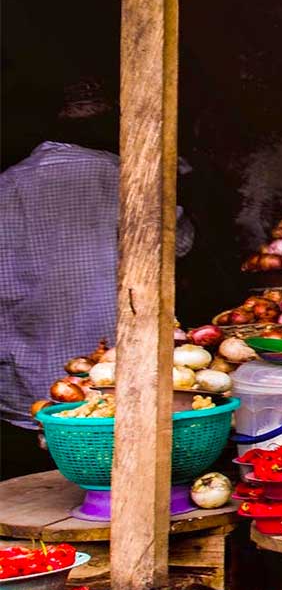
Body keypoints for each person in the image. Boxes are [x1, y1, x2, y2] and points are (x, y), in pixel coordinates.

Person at [0, 81, 194, 478]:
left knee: (41, 485)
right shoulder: (126, 177)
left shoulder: (6, 185)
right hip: (112, 376)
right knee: (118, 472)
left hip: (25, 384)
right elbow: (181, 245)